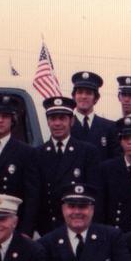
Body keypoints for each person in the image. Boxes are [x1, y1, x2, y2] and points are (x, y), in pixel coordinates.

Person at [35, 96, 100, 235]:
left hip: (79, 227)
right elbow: (34, 196)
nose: (57, 123)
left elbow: (95, 196)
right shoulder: (37, 154)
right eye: (53, 119)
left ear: (72, 121)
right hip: (46, 230)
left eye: (62, 118)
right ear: (47, 121)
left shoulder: (88, 152)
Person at [0, 95, 39, 236]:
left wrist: (26, 231)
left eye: (6, 116)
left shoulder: (26, 152)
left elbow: (32, 196)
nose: (0, 120)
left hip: (12, 226)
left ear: (13, 120)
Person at [70, 71, 118, 161]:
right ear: (74, 96)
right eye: (80, 92)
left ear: (96, 98)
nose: (84, 96)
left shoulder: (109, 127)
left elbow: (115, 162)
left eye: (88, 93)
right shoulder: (66, 126)